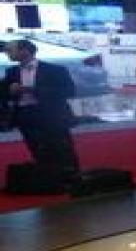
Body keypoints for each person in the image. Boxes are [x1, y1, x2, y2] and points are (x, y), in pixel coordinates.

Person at [1, 39, 80, 177]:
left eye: (11, 50)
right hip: (24, 116)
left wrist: (31, 90)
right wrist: (9, 91)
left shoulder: (55, 69)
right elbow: (3, 93)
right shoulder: (11, 71)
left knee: (61, 147)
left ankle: (71, 177)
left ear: (24, 51)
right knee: (36, 149)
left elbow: (69, 91)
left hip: (51, 115)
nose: (7, 53)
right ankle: (48, 177)